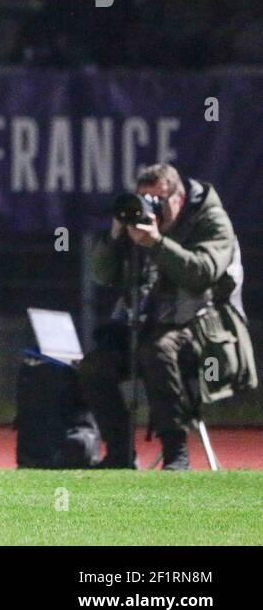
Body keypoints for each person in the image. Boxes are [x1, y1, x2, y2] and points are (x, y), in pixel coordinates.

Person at [78, 163, 243, 470]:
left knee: (156, 350)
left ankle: (175, 453)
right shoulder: (138, 226)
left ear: (178, 198)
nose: (150, 208)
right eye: (144, 200)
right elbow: (103, 275)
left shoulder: (210, 219)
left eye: (158, 200)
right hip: (148, 327)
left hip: (206, 331)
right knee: (94, 365)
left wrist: (156, 243)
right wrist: (116, 236)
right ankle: (120, 453)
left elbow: (201, 274)